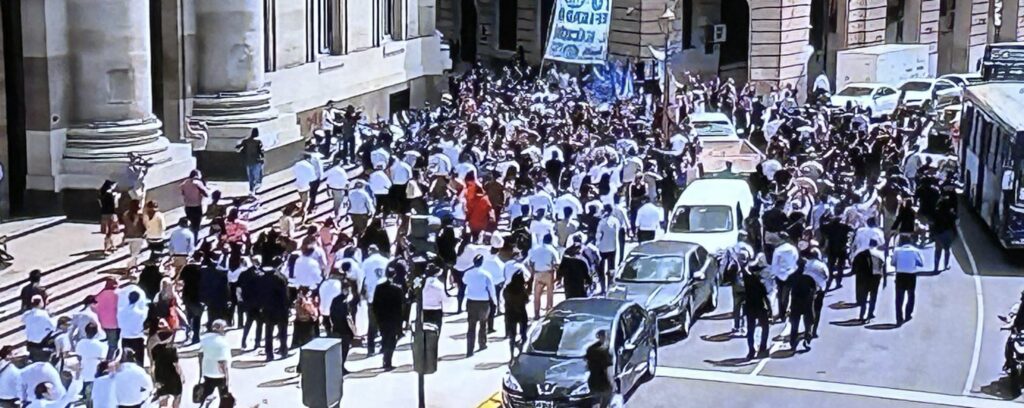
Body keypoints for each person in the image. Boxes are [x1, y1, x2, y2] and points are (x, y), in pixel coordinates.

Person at [463, 254, 496, 357]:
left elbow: (464, 281)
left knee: (471, 326)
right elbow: (491, 289)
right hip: (483, 302)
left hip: (471, 301)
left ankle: (469, 349)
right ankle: (482, 343)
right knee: (483, 324)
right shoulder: (486, 274)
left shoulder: (468, 273)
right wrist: (495, 301)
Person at [371, 270, 405, 370]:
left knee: (385, 338)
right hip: (393, 319)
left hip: (382, 318)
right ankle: (387, 361)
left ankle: (385, 358)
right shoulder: (397, 289)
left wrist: (377, 317)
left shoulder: (379, 288)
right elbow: (400, 308)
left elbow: (375, 305)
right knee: (391, 341)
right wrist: (400, 324)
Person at [149, 320, 182, 408]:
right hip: (172, 375)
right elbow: (176, 365)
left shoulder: (152, 344)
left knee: (162, 399)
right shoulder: (171, 348)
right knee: (177, 396)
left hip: (159, 374)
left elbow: (152, 363)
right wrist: (181, 375)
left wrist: (153, 379)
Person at [891, 236, 924, 325]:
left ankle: (899, 318)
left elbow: (893, 263)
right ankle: (908, 314)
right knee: (911, 295)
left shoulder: (897, 251)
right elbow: (921, 263)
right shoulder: (915, 250)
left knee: (899, 297)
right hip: (911, 275)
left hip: (900, 275)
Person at [743, 258, 772, 359]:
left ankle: (751, 350)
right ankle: (763, 346)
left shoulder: (746, 280)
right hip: (760, 306)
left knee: (750, 330)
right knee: (765, 327)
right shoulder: (761, 282)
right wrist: (770, 309)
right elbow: (765, 296)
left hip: (749, 307)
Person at [786, 261, 817, 351]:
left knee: (794, 324)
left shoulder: (793, 276)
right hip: (807, 302)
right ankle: (807, 337)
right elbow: (814, 289)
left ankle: (793, 342)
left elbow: (787, 288)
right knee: (808, 322)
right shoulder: (809, 277)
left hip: (795, 302)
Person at [199, 320, 232, 404]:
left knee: (206, 394)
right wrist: (227, 379)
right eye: (224, 328)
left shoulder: (204, 340)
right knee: (224, 399)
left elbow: (200, 356)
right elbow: (222, 362)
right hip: (220, 375)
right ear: (220, 329)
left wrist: (201, 373)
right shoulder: (223, 343)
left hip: (207, 372)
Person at [852, 239, 886, 322]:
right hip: (875, 277)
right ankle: (870, 313)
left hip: (863, 277)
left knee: (864, 296)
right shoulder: (879, 254)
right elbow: (883, 267)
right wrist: (884, 280)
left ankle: (862, 314)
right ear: (876, 245)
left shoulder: (860, 254)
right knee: (873, 296)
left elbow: (854, 267)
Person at [526, 235, 559, 318]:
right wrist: (557, 277)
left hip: (538, 273)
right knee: (549, 293)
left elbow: (531, 263)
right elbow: (556, 264)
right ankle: (549, 311)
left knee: (537, 294)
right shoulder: (552, 250)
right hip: (548, 273)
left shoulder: (536, 250)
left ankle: (536, 313)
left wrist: (532, 274)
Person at [74, 323, 107, 405]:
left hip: (84, 373)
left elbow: (78, 357)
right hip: (96, 374)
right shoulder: (101, 345)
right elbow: (103, 359)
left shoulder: (80, 343)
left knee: (88, 398)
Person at [329, 282, 356, 375]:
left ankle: (339, 367)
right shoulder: (346, 302)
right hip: (345, 329)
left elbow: (331, 314)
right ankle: (341, 368)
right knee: (344, 350)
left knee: (339, 351)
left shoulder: (335, 300)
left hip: (337, 328)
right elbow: (348, 317)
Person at [503, 271, 530, 361]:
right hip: (521, 313)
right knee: (523, 334)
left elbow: (504, 298)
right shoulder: (522, 290)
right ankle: (521, 351)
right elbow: (527, 300)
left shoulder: (507, 289)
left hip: (510, 313)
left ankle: (511, 355)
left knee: (512, 336)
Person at [117, 291, 148, 365]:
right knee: (139, 362)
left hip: (125, 338)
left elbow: (119, 324)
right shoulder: (141, 313)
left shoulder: (120, 312)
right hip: (137, 338)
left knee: (125, 361)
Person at [584, 331, 614, 407]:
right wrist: (612, 383)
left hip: (593, 381)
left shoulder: (590, 349)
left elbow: (587, 365)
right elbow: (608, 370)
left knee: (595, 400)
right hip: (603, 382)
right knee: (606, 399)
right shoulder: (605, 352)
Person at [22, 296, 55, 362]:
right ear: (40, 302)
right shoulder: (43, 314)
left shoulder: (26, 315)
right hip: (41, 342)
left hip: (30, 342)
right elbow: (52, 326)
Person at [180, 169, 209, 237]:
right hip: (196, 207)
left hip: (187, 207)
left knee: (190, 223)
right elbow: (206, 194)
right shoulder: (198, 183)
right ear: (197, 175)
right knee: (196, 226)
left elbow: (183, 193)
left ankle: (189, 237)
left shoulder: (184, 183)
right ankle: (194, 240)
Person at [236, 128, 265, 195]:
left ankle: (251, 190)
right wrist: (262, 160)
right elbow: (261, 151)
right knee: (257, 178)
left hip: (248, 161)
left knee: (251, 177)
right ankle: (254, 191)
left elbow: (238, 148)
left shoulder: (246, 141)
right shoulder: (258, 141)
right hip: (257, 161)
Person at [121, 200, 146, 272]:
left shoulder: (125, 214)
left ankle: (133, 265)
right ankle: (131, 267)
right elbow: (143, 226)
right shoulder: (140, 215)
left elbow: (125, 226)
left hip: (128, 236)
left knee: (132, 252)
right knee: (135, 253)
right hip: (137, 237)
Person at [98, 180, 119, 255]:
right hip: (111, 214)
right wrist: (116, 197)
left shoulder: (101, 194)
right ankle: (107, 248)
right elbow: (115, 206)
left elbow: (101, 205)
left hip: (104, 214)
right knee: (110, 232)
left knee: (109, 231)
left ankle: (112, 245)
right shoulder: (110, 195)